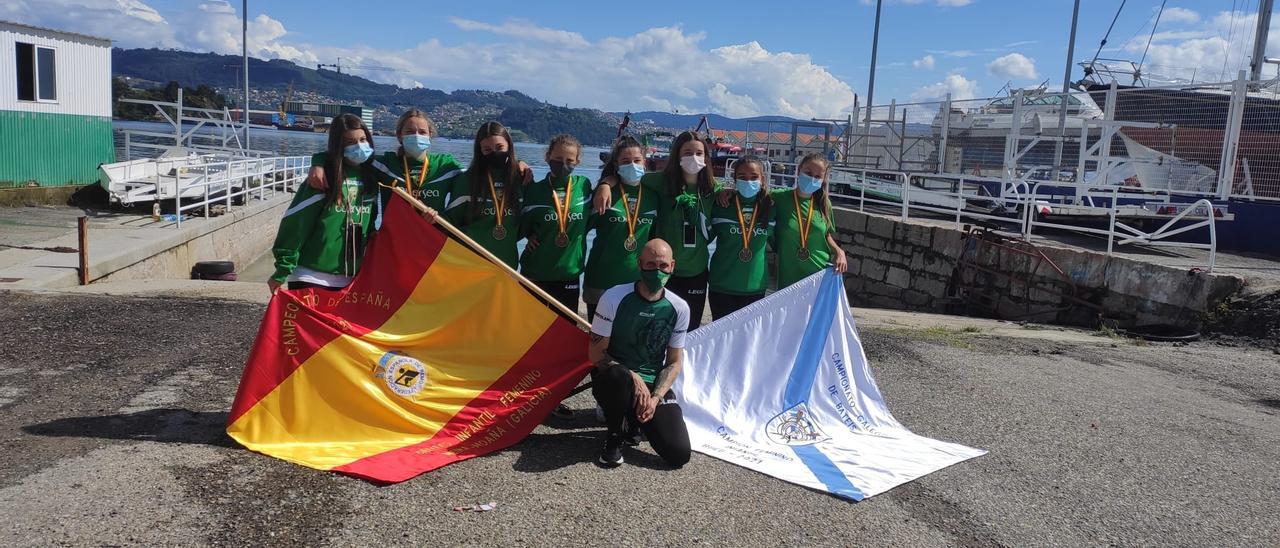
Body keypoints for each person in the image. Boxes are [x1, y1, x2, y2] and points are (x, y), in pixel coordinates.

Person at [593, 131, 719, 329]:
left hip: (697, 271)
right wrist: (605, 184)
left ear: (706, 157)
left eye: (698, 153)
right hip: (664, 270)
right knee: (658, 326)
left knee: (691, 327)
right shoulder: (661, 182)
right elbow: (629, 179)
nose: (693, 158)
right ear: (677, 155)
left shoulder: (714, 190)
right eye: (687, 153)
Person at [588, 238, 691, 468]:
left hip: (652, 385)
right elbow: (595, 355)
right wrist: (633, 377)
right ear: (639, 264)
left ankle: (634, 419)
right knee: (619, 377)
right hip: (616, 379)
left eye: (663, 266)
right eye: (650, 265)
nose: (657, 271)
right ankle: (614, 437)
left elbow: (674, 362)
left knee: (678, 454)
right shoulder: (613, 297)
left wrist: (655, 398)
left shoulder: (679, 307)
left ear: (672, 266)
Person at [268, 113, 388, 291]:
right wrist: (283, 269)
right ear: (338, 146)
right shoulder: (322, 179)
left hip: (351, 278)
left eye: (363, 139)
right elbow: (296, 224)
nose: (359, 146)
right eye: (350, 142)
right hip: (311, 275)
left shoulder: (371, 178)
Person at [302, 109, 464, 213]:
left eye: (422, 132)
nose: (416, 136)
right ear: (399, 136)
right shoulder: (385, 164)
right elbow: (347, 156)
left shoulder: (446, 165)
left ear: (430, 135)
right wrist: (318, 162)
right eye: (410, 131)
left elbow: (474, 176)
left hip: (432, 241)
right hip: (394, 241)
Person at [582, 136, 658, 321]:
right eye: (625, 161)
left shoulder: (653, 197)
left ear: (644, 163)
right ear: (616, 165)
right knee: (598, 341)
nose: (632, 165)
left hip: (637, 282)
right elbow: (579, 229)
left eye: (636, 160)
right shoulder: (604, 195)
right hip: (602, 280)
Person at [519, 134, 592, 311]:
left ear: (578, 161)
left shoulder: (584, 186)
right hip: (536, 274)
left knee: (564, 333)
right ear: (547, 156)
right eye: (558, 158)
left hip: (569, 275)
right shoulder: (534, 190)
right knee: (530, 333)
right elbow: (521, 226)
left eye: (569, 160)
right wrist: (530, 235)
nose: (563, 164)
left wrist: (606, 183)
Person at [444, 121, 525, 268]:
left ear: (509, 146)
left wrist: (534, 236)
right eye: (487, 150)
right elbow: (449, 222)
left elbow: (528, 221)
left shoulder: (521, 179)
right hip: (471, 264)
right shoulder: (467, 181)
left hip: (507, 266)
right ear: (480, 152)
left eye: (499, 147)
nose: (495, 153)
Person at [707, 156, 774, 319]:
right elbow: (705, 238)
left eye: (754, 177)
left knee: (748, 342)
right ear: (734, 179)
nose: (748, 181)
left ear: (762, 179)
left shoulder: (771, 206)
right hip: (722, 286)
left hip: (754, 287)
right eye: (742, 177)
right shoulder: (722, 204)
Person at [774, 152, 848, 289]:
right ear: (799, 170)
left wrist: (839, 252)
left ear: (823, 179)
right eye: (808, 173)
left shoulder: (824, 204)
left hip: (819, 276)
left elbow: (826, 235)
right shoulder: (779, 198)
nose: (812, 178)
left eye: (817, 176)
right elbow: (752, 198)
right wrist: (726, 193)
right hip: (790, 279)